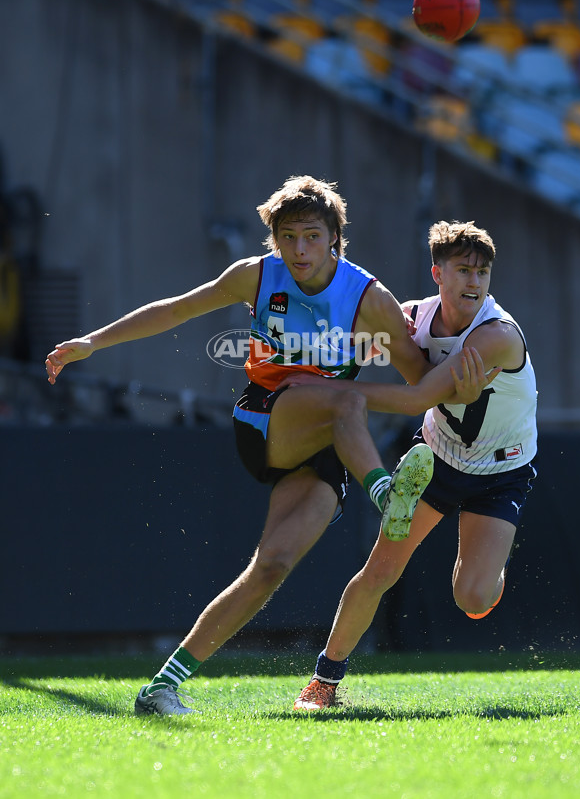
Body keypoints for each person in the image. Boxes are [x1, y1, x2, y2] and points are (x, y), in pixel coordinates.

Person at [45, 178, 496, 716]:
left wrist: (462, 389)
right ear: (274, 241)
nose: (300, 249)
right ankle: (387, 497)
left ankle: (161, 686)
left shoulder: (369, 299)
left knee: (272, 565)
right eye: (288, 237)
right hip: (265, 420)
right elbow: (175, 310)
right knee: (347, 401)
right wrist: (92, 342)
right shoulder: (257, 277)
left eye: (311, 236)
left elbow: (419, 385)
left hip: (328, 442)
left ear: (335, 240)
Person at [293, 219, 537, 711]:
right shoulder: (413, 318)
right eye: (463, 270)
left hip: (501, 472)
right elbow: (355, 349)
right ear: (437, 274)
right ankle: (324, 682)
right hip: (436, 461)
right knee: (380, 569)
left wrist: (325, 393)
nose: (474, 281)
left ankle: (493, 568)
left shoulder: (498, 335)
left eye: (483, 272)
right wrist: (307, 361)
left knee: (472, 598)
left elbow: (419, 396)